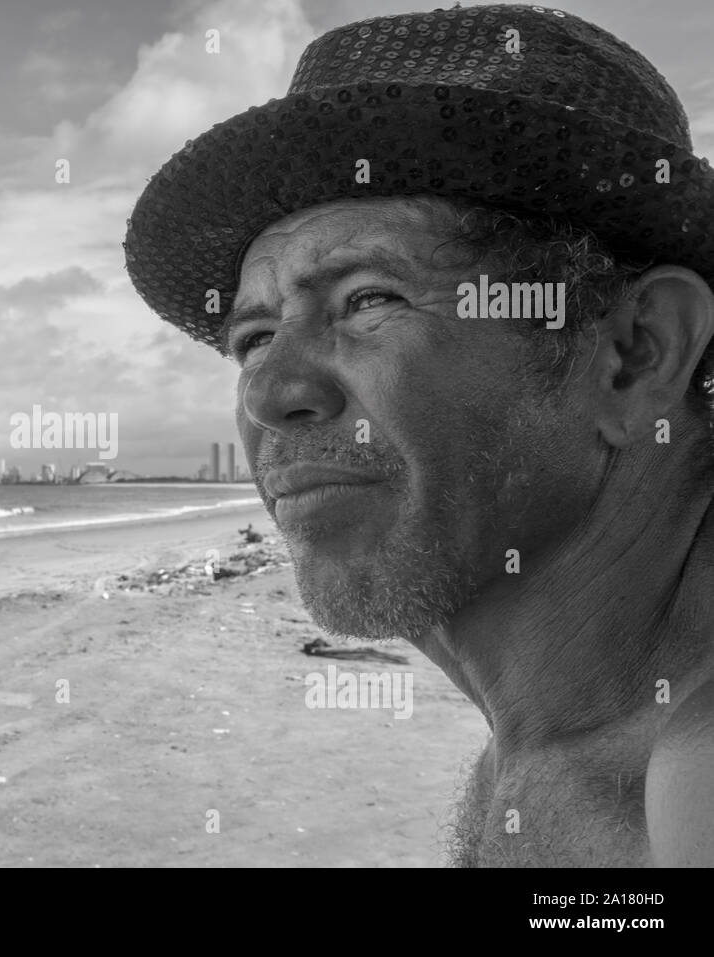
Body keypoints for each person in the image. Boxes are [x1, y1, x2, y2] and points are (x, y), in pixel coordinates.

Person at [125, 3, 714, 866]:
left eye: (369, 299)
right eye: (252, 340)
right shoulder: (558, 732)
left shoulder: (691, 785)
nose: (269, 395)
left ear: (634, 353)